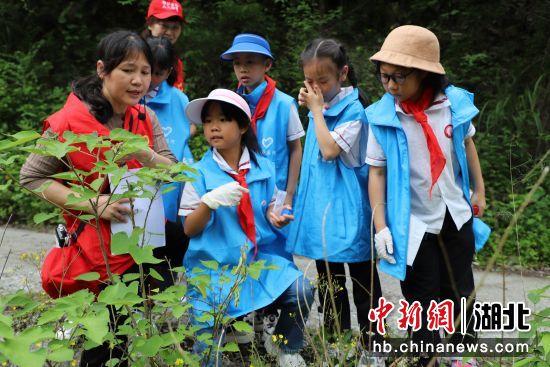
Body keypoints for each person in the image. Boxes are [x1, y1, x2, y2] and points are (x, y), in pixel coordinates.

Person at [19, 30, 177, 366]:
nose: (138, 81)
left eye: (145, 72)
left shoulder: (146, 118)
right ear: (102, 69)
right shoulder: (68, 122)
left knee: (124, 337)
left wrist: (145, 154)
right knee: (104, 344)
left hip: (139, 244)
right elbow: (32, 177)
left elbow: (172, 171)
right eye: (128, 70)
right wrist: (95, 204)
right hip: (96, 253)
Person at [366, 25, 491, 367]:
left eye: (399, 77)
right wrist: (381, 226)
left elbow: (467, 145)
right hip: (414, 221)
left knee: (459, 289)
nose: (390, 85)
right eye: (384, 76)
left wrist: (478, 190)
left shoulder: (454, 106)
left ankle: (461, 355)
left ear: (424, 74)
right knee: (421, 296)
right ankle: (427, 358)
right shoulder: (383, 116)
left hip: (454, 212)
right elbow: (377, 172)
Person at [179, 89, 314, 367]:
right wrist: (208, 203)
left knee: (300, 289)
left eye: (223, 119)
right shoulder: (198, 172)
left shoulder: (263, 166)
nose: (214, 127)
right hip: (214, 267)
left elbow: (269, 205)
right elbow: (189, 229)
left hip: (257, 260)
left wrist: (275, 214)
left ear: (242, 126)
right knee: (206, 355)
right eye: (208, 121)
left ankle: (284, 347)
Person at [285, 38, 383, 366]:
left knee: (364, 284)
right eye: (309, 81)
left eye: (322, 81)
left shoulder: (354, 110)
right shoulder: (322, 106)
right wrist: (316, 108)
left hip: (350, 210)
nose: (315, 87)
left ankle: (375, 346)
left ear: (342, 74)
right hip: (323, 209)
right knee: (329, 282)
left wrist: (314, 110)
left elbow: (329, 150)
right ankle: (336, 343)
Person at [220, 33, 304, 209]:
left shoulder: (284, 104)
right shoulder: (231, 104)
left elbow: (296, 150)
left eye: (250, 62)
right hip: (241, 192)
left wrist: (289, 194)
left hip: (278, 192)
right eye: (237, 63)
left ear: (267, 65)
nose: (242, 69)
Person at [145, 36, 195, 269]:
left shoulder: (178, 99)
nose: (151, 80)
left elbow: (183, 141)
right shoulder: (130, 94)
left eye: (158, 73)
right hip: (137, 182)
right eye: (148, 71)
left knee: (168, 237)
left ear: (168, 72)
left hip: (169, 182)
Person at [143, 0, 186, 91]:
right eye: (164, 26)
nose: (169, 32)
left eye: (175, 27)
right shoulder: (136, 55)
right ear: (150, 24)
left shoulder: (176, 62)